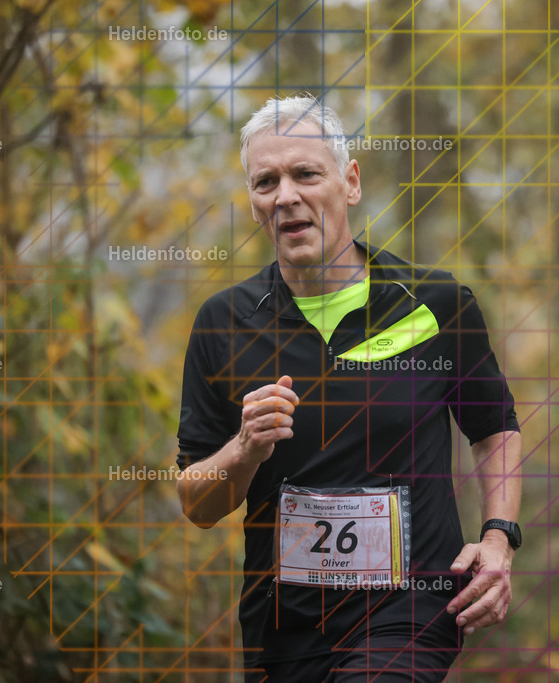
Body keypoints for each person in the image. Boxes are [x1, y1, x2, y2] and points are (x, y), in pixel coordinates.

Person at [176, 94, 522, 682]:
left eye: (305, 174)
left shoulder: (435, 305)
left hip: (409, 612)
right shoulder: (224, 323)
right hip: (281, 628)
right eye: (266, 182)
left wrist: (499, 539)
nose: (286, 195)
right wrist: (244, 448)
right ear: (254, 203)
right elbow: (196, 502)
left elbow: (493, 431)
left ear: (350, 183)